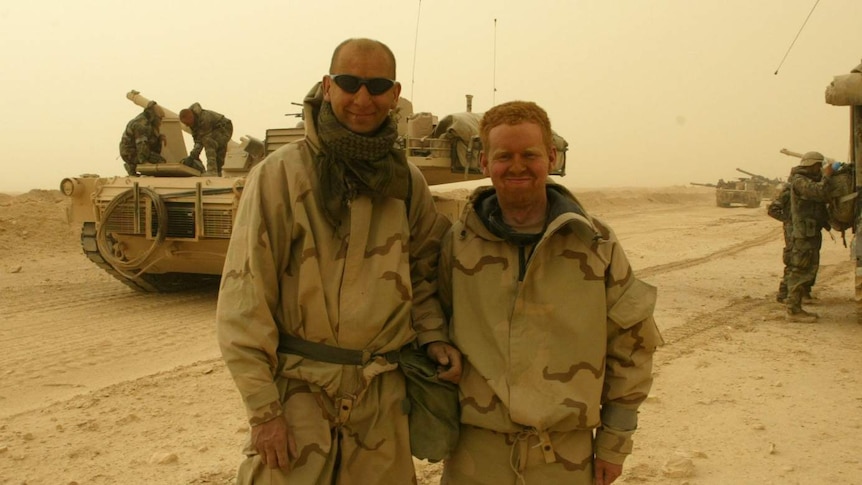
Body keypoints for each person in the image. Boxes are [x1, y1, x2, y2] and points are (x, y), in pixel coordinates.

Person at [216, 38, 462, 484]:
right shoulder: (281, 175)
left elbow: (423, 273)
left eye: (377, 86)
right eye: (350, 84)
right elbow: (244, 297)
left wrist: (433, 336)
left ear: (395, 93)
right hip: (299, 395)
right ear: (328, 87)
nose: (363, 99)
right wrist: (263, 411)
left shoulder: (406, 182)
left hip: (382, 398)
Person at [438, 101, 663, 485]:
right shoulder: (457, 244)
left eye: (530, 154)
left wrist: (614, 444)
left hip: (566, 457)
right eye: (504, 155)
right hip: (475, 455)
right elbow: (434, 323)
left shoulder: (597, 244)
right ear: (483, 163)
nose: (517, 165)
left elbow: (632, 346)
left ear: (552, 157)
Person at [785, 151, 834, 322]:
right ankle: (793, 310)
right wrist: (827, 176)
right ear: (813, 165)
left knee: (807, 269)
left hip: (810, 232)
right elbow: (819, 192)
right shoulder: (800, 181)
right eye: (818, 166)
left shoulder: (806, 179)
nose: (820, 169)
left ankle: (796, 307)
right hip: (803, 234)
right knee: (800, 270)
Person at [179, 103, 234, 176]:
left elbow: (201, 142)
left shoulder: (204, 119)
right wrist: (193, 157)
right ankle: (218, 173)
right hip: (216, 129)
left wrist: (191, 157)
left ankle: (212, 171)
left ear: (190, 117)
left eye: (187, 123)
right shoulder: (194, 123)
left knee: (209, 142)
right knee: (214, 147)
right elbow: (197, 142)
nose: (186, 125)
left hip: (224, 129)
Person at [119, 100, 166, 176]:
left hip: (135, 150)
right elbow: (141, 144)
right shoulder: (141, 124)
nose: (161, 121)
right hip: (130, 152)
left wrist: (159, 138)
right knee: (159, 161)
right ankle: (133, 167)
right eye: (160, 118)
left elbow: (150, 140)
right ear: (154, 116)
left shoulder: (149, 122)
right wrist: (145, 164)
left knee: (157, 158)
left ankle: (134, 166)